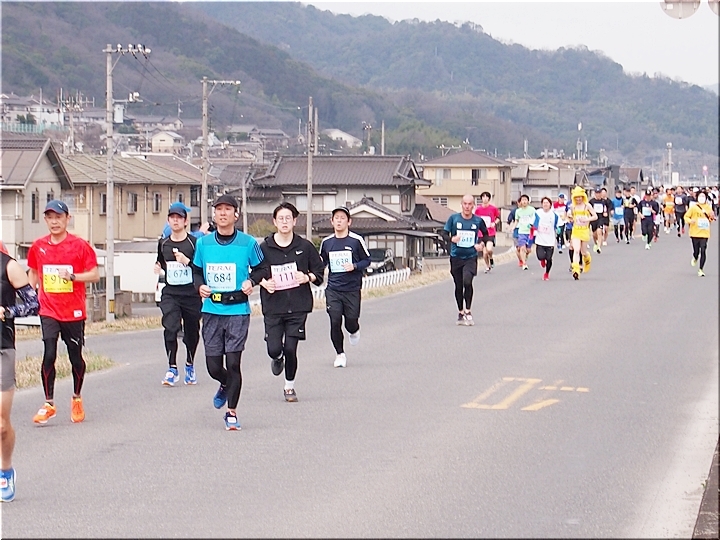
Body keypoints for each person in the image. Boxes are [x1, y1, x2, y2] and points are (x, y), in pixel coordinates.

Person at [192, 194, 263, 430]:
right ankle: (224, 384)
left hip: (237, 310)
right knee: (214, 367)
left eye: (228, 209)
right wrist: (199, 286)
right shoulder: (203, 244)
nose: (223, 213)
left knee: (233, 363)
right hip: (211, 310)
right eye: (219, 209)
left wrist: (252, 280)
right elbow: (196, 271)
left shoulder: (248, 243)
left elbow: (262, 268)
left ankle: (231, 413)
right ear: (214, 214)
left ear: (236, 215)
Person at [27, 200, 100, 425]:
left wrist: (73, 277)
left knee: (75, 357)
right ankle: (49, 403)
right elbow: (33, 272)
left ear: (68, 219)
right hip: (48, 308)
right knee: (49, 352)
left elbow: (94, 274)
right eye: (50, 217)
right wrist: (30, 294)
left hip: (73, 311)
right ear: (45, 220)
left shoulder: (80, 245)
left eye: (58, 217)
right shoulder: (38, 246)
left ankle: (76, 397)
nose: (54, 222)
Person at [251, 202, 324, 402]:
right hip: (273, 306)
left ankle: (289, 387)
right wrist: (264, 283)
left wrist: (306, 277)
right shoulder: (263, 248)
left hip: (298, 306)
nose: (284, 222)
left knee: (291, 348)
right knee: (274, 349)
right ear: (274, 222)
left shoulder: (305, 246)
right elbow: (254, 272)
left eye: (288, 218)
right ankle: (277, 358)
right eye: (281, 218)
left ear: (294, 221)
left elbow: (319, 273)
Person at [1, 250, 40, 502]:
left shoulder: (9, 266)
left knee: (1, 425)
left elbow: (33, 304)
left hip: (2, 348)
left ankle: (5, 470)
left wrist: (7, 311)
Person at [155, 202, 202, 387]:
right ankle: (172, 368)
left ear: (185, 221)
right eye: (172, 218)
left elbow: (201, 267)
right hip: (171, 293)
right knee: (170, 327)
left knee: (191, 332)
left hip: (191, 293)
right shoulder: (163, 243)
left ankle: (189, 364)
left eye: (179, 218)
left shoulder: (194, 243)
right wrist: (158, 267)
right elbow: (160, 261)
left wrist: (187, 261)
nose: (175, 221)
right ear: (168, 221)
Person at [319, 206, 371, 367]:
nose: (339, 221)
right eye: (336, 218)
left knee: (351, 321)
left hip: (352, 289)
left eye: (342, 218)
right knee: (335, 321)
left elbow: (367, 260)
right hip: (333, 289)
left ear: (349, 222)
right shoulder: (327, 242)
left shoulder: (356, 240)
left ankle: (354, 330)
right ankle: (340, 354)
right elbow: (322, 262)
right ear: (332, 221)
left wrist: (354, 266)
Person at [442, 194, 488, 325]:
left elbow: (486, 235)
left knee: (467, 281)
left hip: (470, 257)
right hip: (456, 257)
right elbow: (444, 234)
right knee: (458, 285)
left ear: (473, 206)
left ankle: (468, 311)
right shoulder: (453, 219)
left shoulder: (478, 221)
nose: (467, 206)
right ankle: (460, 312)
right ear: (461, 205)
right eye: (465, 204)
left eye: (469, 204)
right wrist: (452, 239)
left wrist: (481, 244)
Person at [566, 186, 597, 280]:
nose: (578, 199)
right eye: (576, 197)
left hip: (584, 230)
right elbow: (570, 216)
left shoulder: (587, 206)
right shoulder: (572, 207)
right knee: (576, 250)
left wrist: (587, 219)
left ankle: (587, 260)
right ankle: (576, 270)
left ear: (583, 196)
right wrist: (570, 218)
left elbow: (595, 216)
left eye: (580, 197)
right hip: (576, 230)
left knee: (583, 252)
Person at [685, 190, 716, 277]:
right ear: (697, 197)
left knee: (703, 250)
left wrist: (712, 217)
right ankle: (695, 257)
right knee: (696, 250)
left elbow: (711, 219)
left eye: (703, 196)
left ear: (706, 198)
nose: (702, 198)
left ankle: (701, 269)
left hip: (704, 233)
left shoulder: (708, 208)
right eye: (700, 196)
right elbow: (686, 216)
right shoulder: (693, 207)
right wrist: (690, 221)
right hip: (694, 232)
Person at [473, 191, 501, 273]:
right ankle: (487, 266)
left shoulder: (493, 208)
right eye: (483, 197)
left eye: (486, 197)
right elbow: (474, 219)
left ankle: (491, 258)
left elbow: (498, 218)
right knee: (484, 253)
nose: (485, 199)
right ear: (481, 198)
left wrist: (494, 223)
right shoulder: (478, 209)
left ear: (489, 199)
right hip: (481, 233)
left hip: (490, 232)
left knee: (489, 250)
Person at [533, 197, 559, 281]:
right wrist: (533, 229)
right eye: (544, 203)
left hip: (550, 240)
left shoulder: (554, 215)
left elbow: (558, 225)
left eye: (547, 203)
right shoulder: (537, 213)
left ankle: (547, 273)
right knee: (540, 256)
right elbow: (533, 222)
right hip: (540, 239)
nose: (545, 204)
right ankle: (542, 260)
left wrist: (558, 229)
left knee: (549, 259)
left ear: (550, 205)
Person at [513, 194, 535, 270]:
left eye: (525, 200)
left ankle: (525, 257)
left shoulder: (532, 210)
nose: (524, 201)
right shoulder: (518, 211)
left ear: (528, 201)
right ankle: (524, 263)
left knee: (528, 250)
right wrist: (513, 227)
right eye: (523, 200)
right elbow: (516, 220)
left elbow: (535, 219)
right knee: (522, 248)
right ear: (521, 202)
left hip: (530, 232)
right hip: (521, 232)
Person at [589, 188, 609, 253]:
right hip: (593, 219)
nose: (598, 194)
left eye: (599, 193)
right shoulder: (591, 201)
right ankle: (595, 243)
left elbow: (606, 208)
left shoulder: (604, 201)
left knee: (599, 231)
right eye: (597, 193)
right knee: (594, 234)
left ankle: (599, 247)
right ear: (595, 194)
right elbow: (588, 209)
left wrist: (606, 213)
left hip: (601, 219)